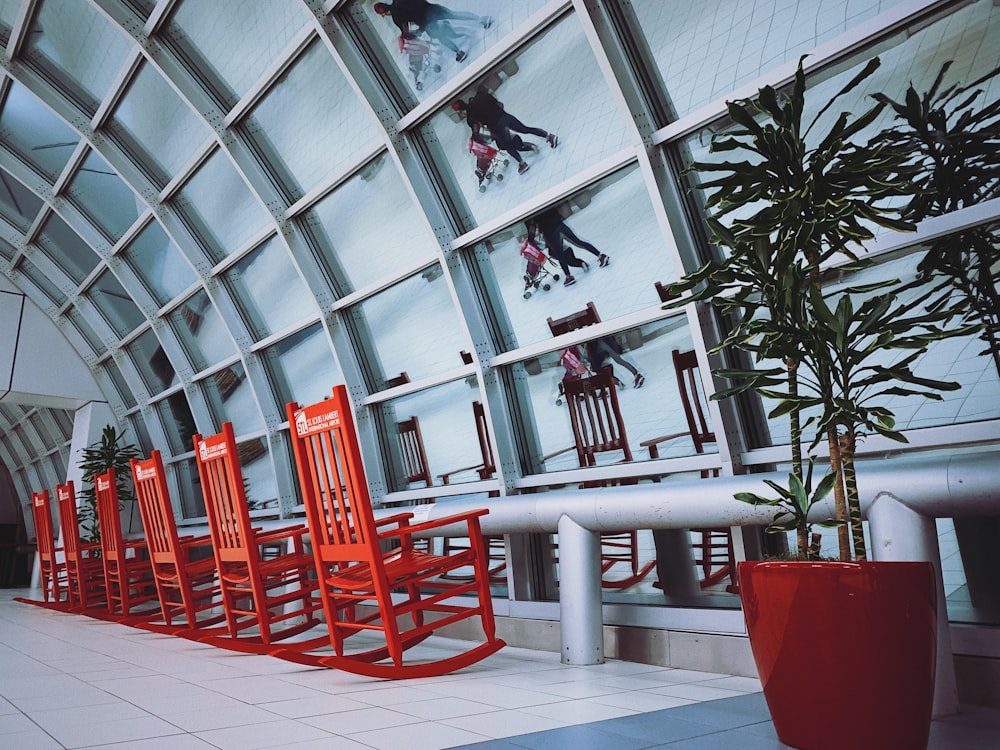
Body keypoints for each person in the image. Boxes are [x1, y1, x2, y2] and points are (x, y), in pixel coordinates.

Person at [460, 86, 558, 174]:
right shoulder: (482, 96)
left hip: (497, 126)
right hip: (506, 117)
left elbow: (477, 129)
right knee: (525, 129)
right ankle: (549, 136)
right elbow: (500, 104)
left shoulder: (470, 115)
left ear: (461, 111)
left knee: (507, 146)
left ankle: (522, 163)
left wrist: (475, 139)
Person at [374, 1, 492, 62]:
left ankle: (459, 52)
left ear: (384, 13)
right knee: (455, 15)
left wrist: (410, 34)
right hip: (432, 8)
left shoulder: (396, 18)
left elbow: (408, 33)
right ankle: (481, 20)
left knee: (442, 37)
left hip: (427, 23)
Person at [528, 208, 609, 287]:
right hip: (560, 225)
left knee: (560, 255)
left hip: (551, 233)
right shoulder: (543, 202)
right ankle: (601, 256)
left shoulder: (532, 210)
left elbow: (532, 228)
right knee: (579, 242)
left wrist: (530, 240)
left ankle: (568, 277)